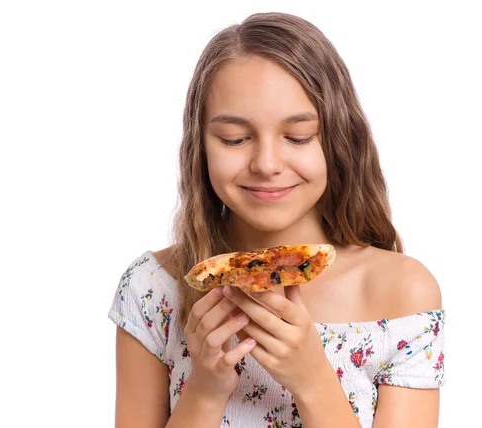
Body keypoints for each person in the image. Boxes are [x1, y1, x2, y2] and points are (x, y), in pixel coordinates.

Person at [108, 12, 446, 428]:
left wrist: (314, 380)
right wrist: (204, 389)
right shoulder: (152, 289)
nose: (266, 164)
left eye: (298, 137)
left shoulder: (403, 292)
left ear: (339, 139)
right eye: (235, 139)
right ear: (201, 147)